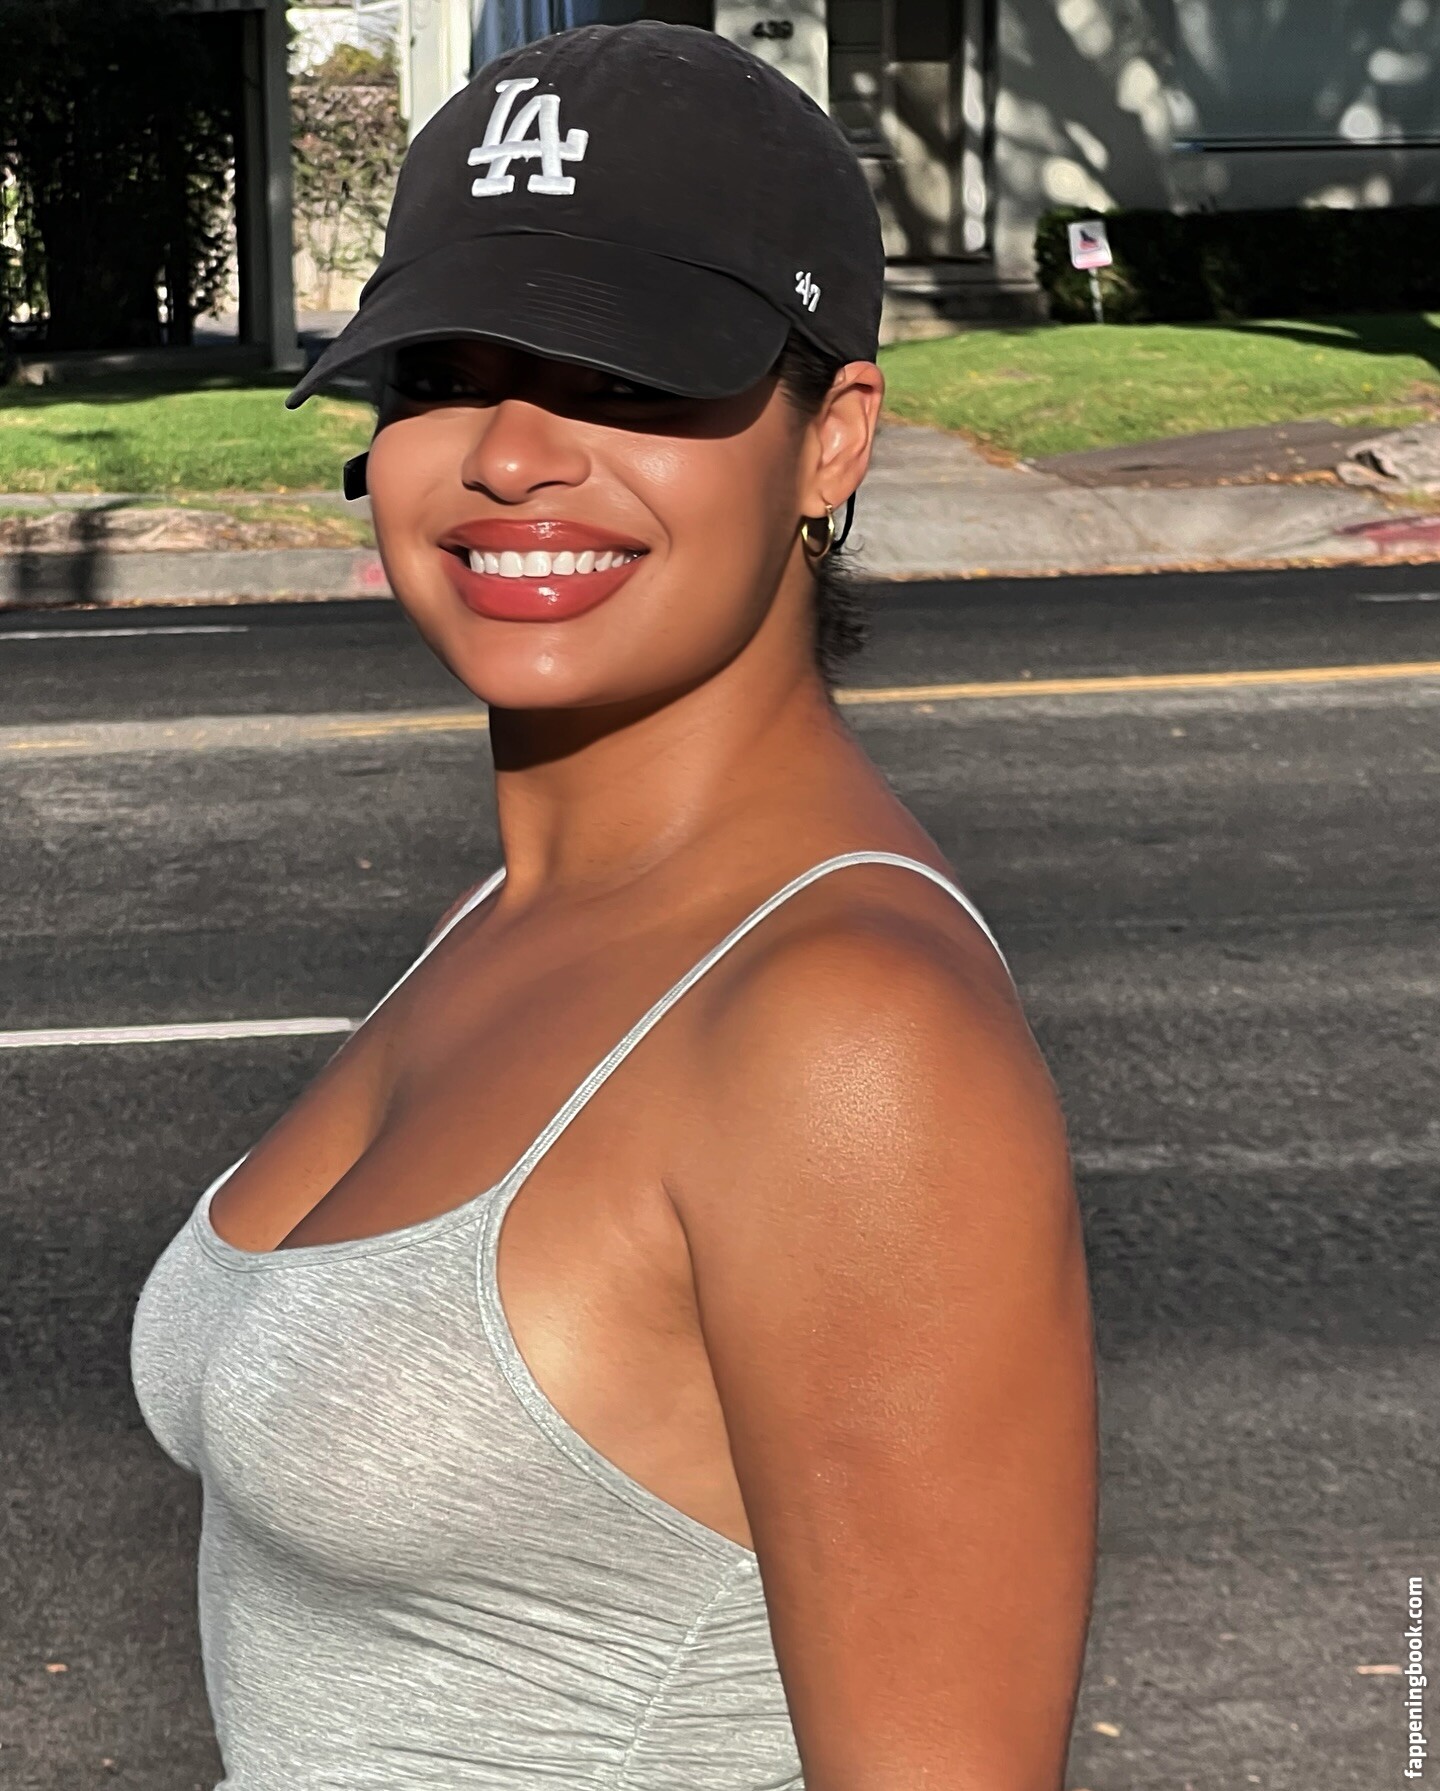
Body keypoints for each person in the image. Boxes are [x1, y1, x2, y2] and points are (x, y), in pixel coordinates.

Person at [131, 21, 1097, 1790]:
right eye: (444, 371)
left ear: (832, 440)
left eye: (628, 378)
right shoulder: (510, 913)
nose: (511, 455)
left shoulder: (845, 1036)